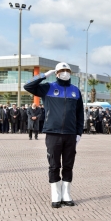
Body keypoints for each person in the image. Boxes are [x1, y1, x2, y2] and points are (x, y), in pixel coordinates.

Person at [24, 62, 84, 208]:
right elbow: (28, 86)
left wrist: (79, 133)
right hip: (53, 133)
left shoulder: (75, 91)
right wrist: (44, 75)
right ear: (56, 73)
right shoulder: (48, 88)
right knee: (54, 165)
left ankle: (66, 194)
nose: (65, 73)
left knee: (68, 165)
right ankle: (56, 196)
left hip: (70, 134)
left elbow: (80, 114)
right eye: (62, 70)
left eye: (67, 70)